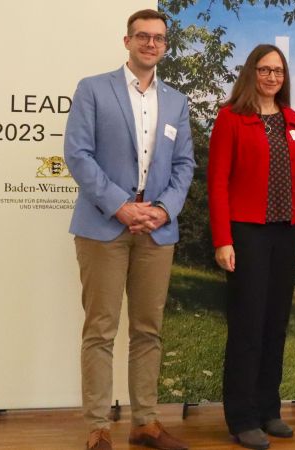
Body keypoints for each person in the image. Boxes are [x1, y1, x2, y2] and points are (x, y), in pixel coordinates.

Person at [63, 9, 194, 450]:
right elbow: (78, 155)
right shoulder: (93, 89)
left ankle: (145, 423)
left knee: (148, 329)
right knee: (100, 329)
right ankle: (98, 427)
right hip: (103, 226)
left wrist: (163, 210)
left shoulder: (176, 101)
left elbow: (184, 166)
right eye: (143, 36)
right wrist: (120, 206)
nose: (150, 44)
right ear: (127, 41)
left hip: (156, 231)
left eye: (158, 38)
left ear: (165, 46)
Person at [207, 44, 295, 450]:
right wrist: (223, 239)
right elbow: (217, 182)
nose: (272, 77)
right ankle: (242, 417)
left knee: (276, 325)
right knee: (248, 327)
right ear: (251, 72)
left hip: (286, 234)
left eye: (279, 72)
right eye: (265, 70)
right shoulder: (231, 118)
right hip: (246, 233)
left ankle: (269, 409)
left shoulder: (293, 120)